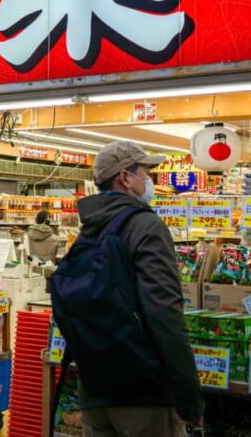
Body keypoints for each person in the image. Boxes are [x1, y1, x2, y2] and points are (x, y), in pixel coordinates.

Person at [70, 140, 203, 436]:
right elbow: (165, 315)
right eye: (145, 172)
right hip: (143, 394)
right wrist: (188, 396)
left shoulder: (88, 228)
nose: (150, 180)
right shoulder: (145, 226)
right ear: (126, 178)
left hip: (93, 389)